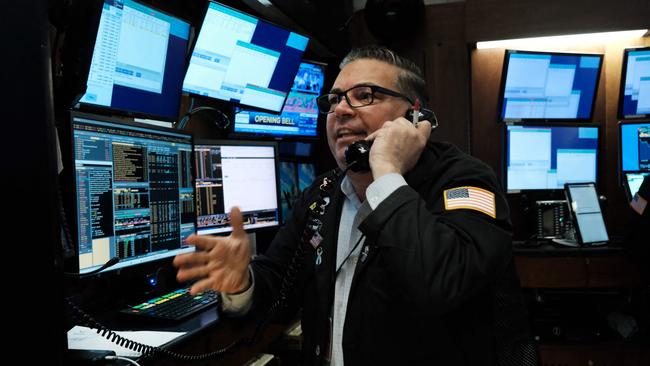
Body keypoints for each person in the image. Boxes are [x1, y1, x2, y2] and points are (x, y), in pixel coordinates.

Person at [174, 46, 537, 365]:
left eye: (364, 95)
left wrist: (387, 173)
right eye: (333, 100)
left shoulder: (464, 180)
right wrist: (242, 284)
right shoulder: (326, 192)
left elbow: (440, 284)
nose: (341, 111)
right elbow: (278, 287)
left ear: (414, 115)